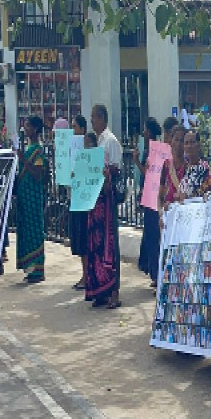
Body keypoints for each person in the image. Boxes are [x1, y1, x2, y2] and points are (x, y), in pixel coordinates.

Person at [85, 103, 122, 309]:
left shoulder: (110, 141)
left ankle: (114, 291)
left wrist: (107, 173)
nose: (92, 121)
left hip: (106, 200)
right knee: (96, 245)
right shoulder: (97, 141)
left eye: (94, 117)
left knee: (109, 245)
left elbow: (116, 168)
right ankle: (100, 289)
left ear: (102, 118)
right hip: (94, 200)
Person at [15, 115, 47, 283]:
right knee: (26, 230)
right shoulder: (28, 149)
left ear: (34, 129)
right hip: (24, 198)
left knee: (35, 231)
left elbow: (37, 175)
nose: (25, 129)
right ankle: (29, 268)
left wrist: (23, 161)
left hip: (33, 199)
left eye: (27, 126)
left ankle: (38, 270)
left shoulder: (38, 151)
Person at [134, 117, 163, 289]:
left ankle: (157, 275)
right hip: (148, 196)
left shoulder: (155, 150)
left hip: (153, 197)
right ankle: (153, 272)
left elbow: (150, 174)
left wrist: (137, 161)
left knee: (153, 237)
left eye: (145, 129)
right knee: (149, 237)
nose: (143, 133)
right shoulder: (150, 149)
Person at [69, 114, 92, 289]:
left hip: (86, 202)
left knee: (85, 239)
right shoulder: (72, 149)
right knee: (78, 239)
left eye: (75, 127)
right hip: (76, 199)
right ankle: (84, 274)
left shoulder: (87, 153)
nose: (73, 130)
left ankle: (87, 275)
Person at [178, 129, 211, 199]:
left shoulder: (204, 168)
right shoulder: (183, 169)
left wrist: (187, 197)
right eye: (186, 143)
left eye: (192, 142)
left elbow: (208, 191)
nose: (189, 146)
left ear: (198, 145)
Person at [159, 126, 187, 212]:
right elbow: (160, 194)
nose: (179, 144)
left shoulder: (189, 166)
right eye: (176, 140)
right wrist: (160, 213)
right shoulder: (166, 165)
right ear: (171, 141)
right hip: (168, 214)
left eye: (182, 141)